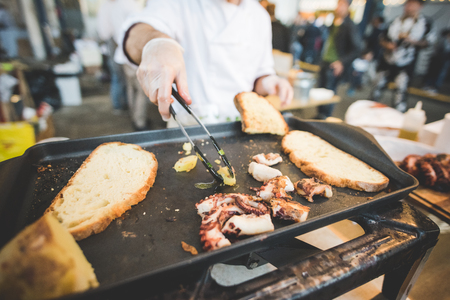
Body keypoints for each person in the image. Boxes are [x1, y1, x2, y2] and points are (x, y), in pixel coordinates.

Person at [119, 0, 293, 127]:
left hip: (241, 123)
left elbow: (259, 74)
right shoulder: (181, 4)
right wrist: (157, 43)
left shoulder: (259, 16)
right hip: (189, 121)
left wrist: (270, 82)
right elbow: (136, 31)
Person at [370, 0, 431, 113]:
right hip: (387, 60)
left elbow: (428, 42)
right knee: (377, 87)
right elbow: (382, 38)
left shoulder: (425, 23)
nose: (409, 7)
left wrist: (413, 41)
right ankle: (368, 111)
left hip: (406, 63)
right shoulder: (395, 21)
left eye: (413, 4)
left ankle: (398, 115)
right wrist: (388, 45)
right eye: (408, 4)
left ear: (420, 6)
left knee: (400, 92)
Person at [316, 0, 362, 119]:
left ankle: (325, 119)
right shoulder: (334, 22)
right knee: (319, 92)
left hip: (334, 65)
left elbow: (357, 48)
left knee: (330, 93)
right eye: (338, 4)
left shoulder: (350, 25)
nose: (338, 7)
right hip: (324, 61)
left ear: (348, 7)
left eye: (342, 5)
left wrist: (341, 62)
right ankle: (318, 117)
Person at [96, 0, 140, 115]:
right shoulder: (123, 4)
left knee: (122, 78)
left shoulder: (111, 6)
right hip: (119, 43)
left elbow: (103, 32)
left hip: (117, 42)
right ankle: (121, 105)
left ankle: (122, 105)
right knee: (122, 78)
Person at [423, 28, 450, 95]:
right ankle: (428, 85)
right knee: (433, 73)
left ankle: (434, 87)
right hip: (437, 59)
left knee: (440, 74)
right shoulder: (442, 40)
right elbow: (437, 50)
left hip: (444, 61)